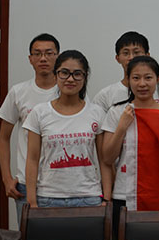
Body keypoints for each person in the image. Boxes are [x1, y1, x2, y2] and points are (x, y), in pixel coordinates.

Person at [24, 50, 110, 208]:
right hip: (48, 198)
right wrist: (31, 201)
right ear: (55, 75)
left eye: (77, 74)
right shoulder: (39, 112)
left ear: (85, 78)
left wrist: (107, 199)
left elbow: (104, 160)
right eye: (64, 73)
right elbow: (32, 159)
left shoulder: (97, 112)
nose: (70, 79)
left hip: (89, 198)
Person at [0, 33, 60, 223]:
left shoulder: (68, 90)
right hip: (25, 184)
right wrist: (7, 178)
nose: (43, 58)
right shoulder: (19, 92)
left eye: (49, 53)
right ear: (30, 59)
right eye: (37, 53)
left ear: (58, 56)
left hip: (60, 186)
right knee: (30, 238)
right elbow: (3, 137)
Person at [100, 56, 159, 240]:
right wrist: (122, 127)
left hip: (158, 194)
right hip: (124, 194)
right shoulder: (117, 112)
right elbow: (107, 158)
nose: (142, 84)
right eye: (136, 78)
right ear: (128, 80)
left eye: (148, 78)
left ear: (158, 79)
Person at [93, 31, 159, 111]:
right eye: (126, 53)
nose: (131, 57)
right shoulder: (105, 96)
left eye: (136, 52)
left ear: (147, 56)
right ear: (117, 58)